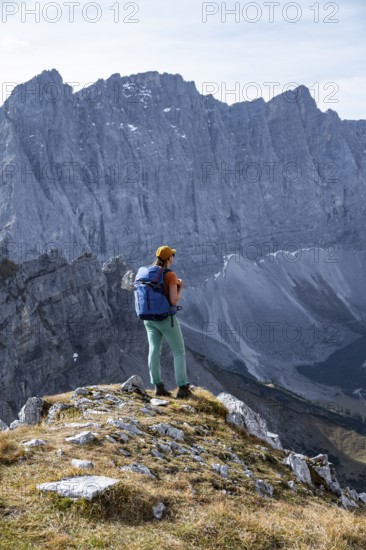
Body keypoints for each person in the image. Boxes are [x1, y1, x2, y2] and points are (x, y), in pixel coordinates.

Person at [143, 245, 194, 399]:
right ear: (168, 259)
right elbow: (173, 299)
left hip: (148, 319)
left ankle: (158, 387)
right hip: (166, 319)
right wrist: (180, 287)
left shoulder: (147, 272)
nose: (173, 258)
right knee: (178, 352)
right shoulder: (170, 275)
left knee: (154, 351)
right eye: (172, 255)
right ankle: (183, 388)